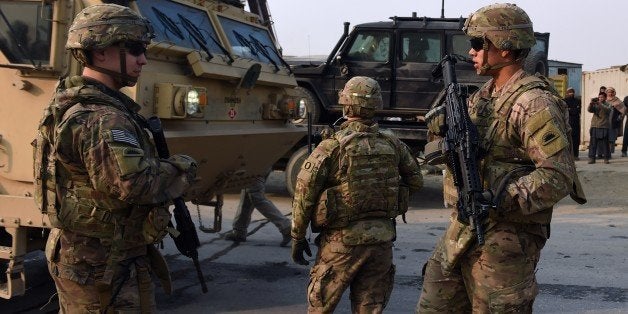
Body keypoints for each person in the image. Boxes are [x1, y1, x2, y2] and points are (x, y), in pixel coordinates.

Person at [417, 3, 586, 313]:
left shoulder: (534, 102)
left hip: (506, 241)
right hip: (462, 233)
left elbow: (557, 175)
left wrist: (499, 197)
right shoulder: (482, 97)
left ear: (506, 47)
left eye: (479, 43)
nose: (471, 52)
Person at [36, 4, 197, 312]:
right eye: (135, 49)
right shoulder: (103, 118)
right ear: (98, 52)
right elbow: (134, 185)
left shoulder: (70, 104)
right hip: (104, 264)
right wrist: (181, 168)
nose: (143, 59)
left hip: (87, 255)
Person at [291, 76, 423, 313]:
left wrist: (297, 237)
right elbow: (415, 181)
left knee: (320, 306)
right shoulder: (393, 143)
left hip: (342, 242)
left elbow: (304, 194)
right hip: (382, 242)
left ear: (347, 105)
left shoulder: (332, 146)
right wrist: (385, 197)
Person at [224, 173, 292, 246]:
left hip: (253, 166)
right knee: (249, 192)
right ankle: (239, 230)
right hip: (259, 165)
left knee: (255, 195)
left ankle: (286, 227)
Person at [587, 92, 612, 164]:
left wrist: (600, 104)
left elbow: (607, 110)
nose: (600, 98)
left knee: (605, 144)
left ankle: (606, 158)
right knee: (593, 144)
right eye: (599, 97)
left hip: (604, 126)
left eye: (602, 97)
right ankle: (592, 158)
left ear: (605, 98)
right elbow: (589, 110)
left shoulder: (608, 104)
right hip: (595, 126)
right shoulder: (595, 104)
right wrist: (591, 104)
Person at [605, 87, 626, 156]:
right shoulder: (604, 100)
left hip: (613, 122)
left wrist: (619, 117)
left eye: (611, 92)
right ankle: (602, 153)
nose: (610, 93)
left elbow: (623, 109)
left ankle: (609, 153)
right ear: (606, 93)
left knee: (611, 138)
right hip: (604, 122)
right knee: (603, 137)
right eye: (608, 92)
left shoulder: (617, 100)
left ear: (614, 93)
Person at [564, 87, 582, 160]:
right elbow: (565, 111)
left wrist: (570, 109)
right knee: (567, 140)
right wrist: (573, 110)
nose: (571, 93)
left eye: (572, 92)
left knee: (576, 140)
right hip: (567, 123)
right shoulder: (564, 101)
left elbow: (578, 110)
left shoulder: (577, 101)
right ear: (567, 93)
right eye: (570, 92)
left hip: (576, 123)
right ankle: (568, 156)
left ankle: (575, 155)